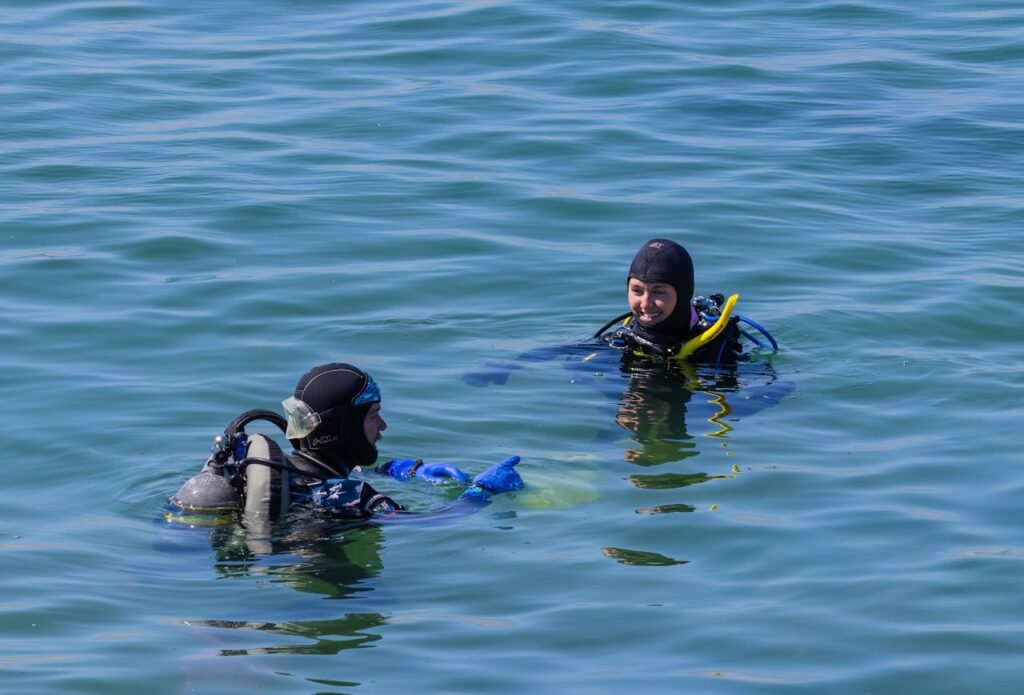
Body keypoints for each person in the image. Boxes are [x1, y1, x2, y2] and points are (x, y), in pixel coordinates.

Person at [166, 362, 524, 529]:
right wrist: (481, 493)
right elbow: (430, 522)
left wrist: (401, 469)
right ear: (346, 428)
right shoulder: (358, 498)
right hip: (328, 597)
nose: (383, 426)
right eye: (373, 416)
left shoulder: (274, 476)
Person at [594, 238, 777, 365]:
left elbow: (774, 389)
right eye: (637, 291)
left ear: (683, 294)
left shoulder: (713, 350)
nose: (645, 303)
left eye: (659, 292)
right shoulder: (622, 340)